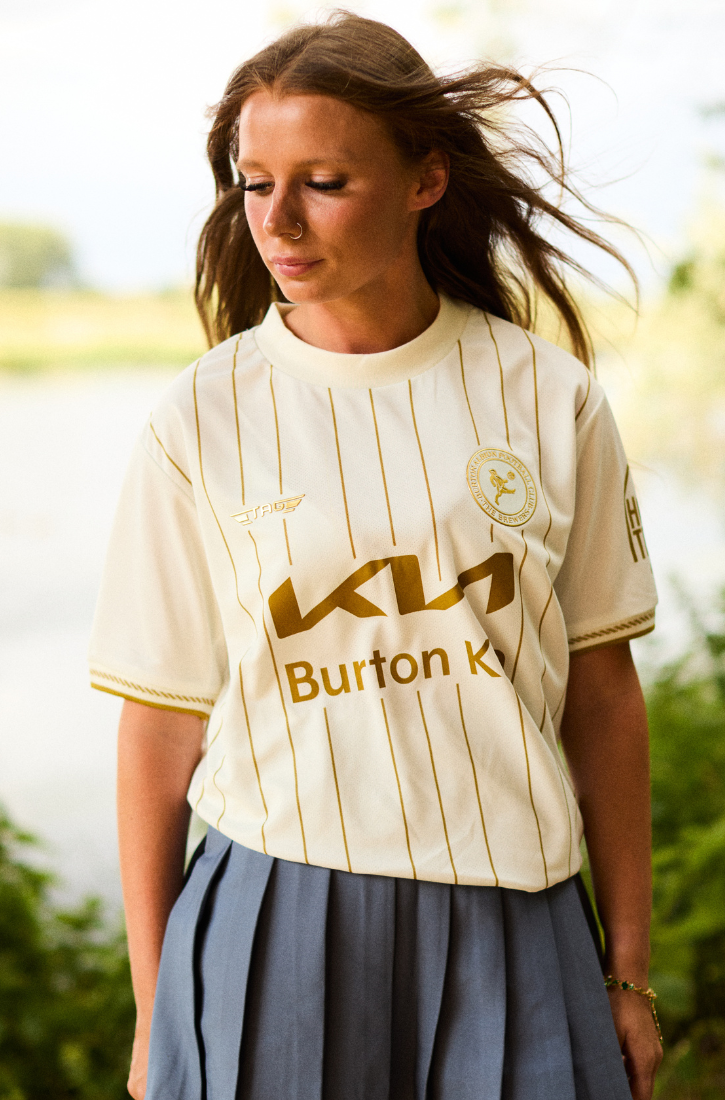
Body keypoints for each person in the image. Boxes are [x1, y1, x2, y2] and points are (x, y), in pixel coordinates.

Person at [89, 11, 664, 1100]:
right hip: (275, 911)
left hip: (521, 909)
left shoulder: (548, 396)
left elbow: (600, 691)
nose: (278, 220)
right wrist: (157, 1009)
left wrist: (626, 971)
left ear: (424, 181)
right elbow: (159, 729)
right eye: (255, 184)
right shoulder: (198, 419)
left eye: (323, 183)